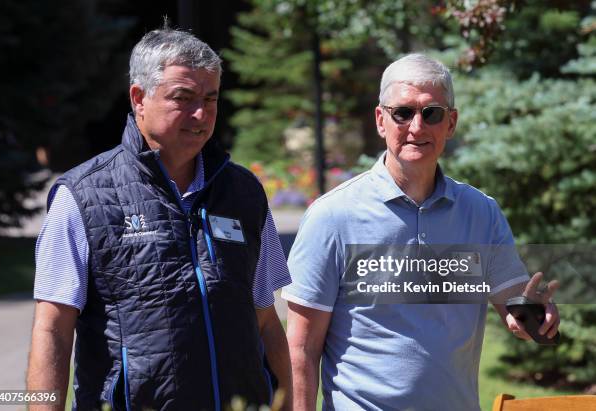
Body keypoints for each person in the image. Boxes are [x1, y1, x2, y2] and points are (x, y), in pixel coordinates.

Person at [27, 27, 292, 411]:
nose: (201, 114)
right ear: (139, 98)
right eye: (183, 98)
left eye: (210, 98)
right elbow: (52, 329)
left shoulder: (244, 193)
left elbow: (266, 320)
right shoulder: (82, 197)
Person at [282, 54, 560, 411]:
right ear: (381, 120)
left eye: (432, 113)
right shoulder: (332, 216)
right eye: (403, 112)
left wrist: (531, 313)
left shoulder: (481, 212)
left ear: (451, 122)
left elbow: (512, 301)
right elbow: (302, 347)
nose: (417, 127)